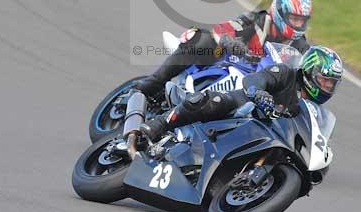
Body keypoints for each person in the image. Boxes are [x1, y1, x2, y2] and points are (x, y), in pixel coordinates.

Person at [133, 0, 313, 100]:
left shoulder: (300, 46)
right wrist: (231, 42)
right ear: (279, 12)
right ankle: (148, 86)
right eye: (294, 19)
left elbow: (306, 71)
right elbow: (222, 29)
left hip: (259, 87)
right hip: (227, 64)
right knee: (201, 40)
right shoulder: (256, 20)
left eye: (302, 20)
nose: (298, 25)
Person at [139, 44, 343, 142]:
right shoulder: (285, 73)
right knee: (214, 101)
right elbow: (255, 80)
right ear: (309, 70)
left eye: (331, 84)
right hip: (242, 109)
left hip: (261, 133)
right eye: (324, 80)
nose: (326, 87)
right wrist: (258, 93)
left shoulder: (311, 110)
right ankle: (160, 124)